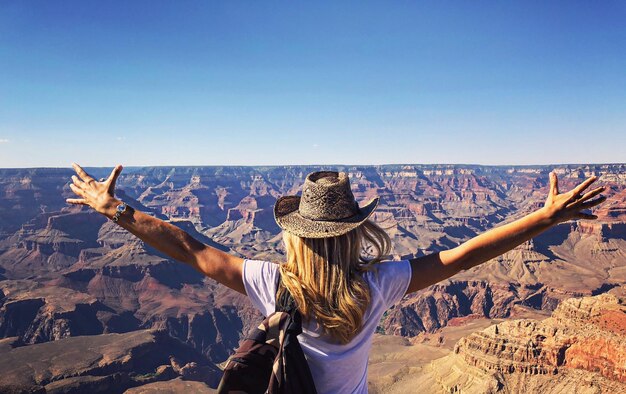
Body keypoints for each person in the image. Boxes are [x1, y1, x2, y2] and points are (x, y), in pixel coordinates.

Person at [66, 163, 606, 393]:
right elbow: (462, 256)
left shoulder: (267, 282)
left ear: (296, 235)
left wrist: (115, 209)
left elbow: (189, 249)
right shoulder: (380, 284)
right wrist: (543, 217)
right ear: (354, 232)